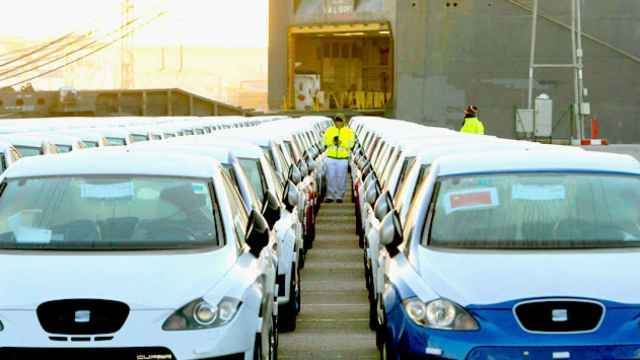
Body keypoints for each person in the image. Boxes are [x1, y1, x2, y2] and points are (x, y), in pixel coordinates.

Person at [324, 114, 355, 203]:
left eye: (340, 120)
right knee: (330, 177)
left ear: (343, 121)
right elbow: (325, 142)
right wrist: (332, 141)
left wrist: (341, 143)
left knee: (341, 177)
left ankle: (339, 196)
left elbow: (351, 144)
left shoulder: (349, 132)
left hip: (343, 158)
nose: (338, 122)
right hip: (331, 157)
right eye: (337, 120)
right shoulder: (329, 131)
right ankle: (330, 196)